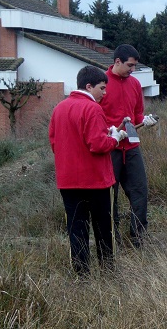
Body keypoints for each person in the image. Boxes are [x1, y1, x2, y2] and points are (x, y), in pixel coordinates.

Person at [49, 65, 128, 275]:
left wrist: (106, 133)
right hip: (95, 181)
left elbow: (55, 143)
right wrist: (115, 137)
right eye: (102, 88)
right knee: (103, 227)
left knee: (76, 229)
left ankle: (82, 275)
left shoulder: (59, 108)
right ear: (89, 86)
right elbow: (98, 145)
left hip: (67, 181)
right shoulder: (93, 109)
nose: (104, 93)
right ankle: (107, 271)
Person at [100, 44, 158, 248]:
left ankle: (138, 238)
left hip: (132, 148)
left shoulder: (134, 84)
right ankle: (111, 240)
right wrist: (110, 132)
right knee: (110, 196)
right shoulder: (102, 85)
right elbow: (93, 118)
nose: (133, 70)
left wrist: (147, 120)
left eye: (134, 66)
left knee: (140, 190)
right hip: (110, 149)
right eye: (130, 65)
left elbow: (138, 114)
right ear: (117, 62)